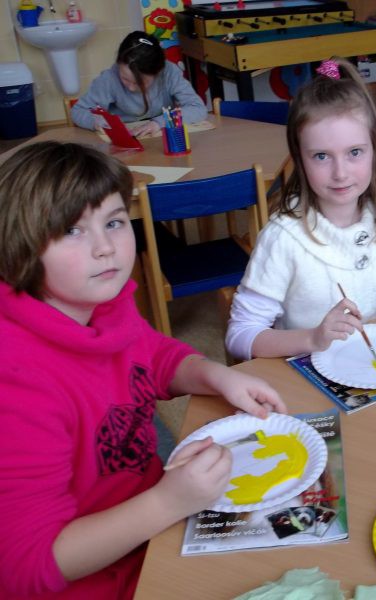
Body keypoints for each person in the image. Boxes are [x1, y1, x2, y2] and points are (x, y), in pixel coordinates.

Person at [0, 141, 287, 599]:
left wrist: (214, 374)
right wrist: (168, 502)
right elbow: (27, 568)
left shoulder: (101, 300)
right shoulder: (16, 383)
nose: (105, 248)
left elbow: (152, 356)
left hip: (153, 520)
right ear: (19, 246)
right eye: (72, 230)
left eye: (114, 222)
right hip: (98, 576)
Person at [226, 58, 376, 361]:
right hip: (300, 371)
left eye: (354, 152)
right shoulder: (283, 238)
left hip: (366, 366)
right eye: (322, 156)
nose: (340, 173)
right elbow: (240, 335)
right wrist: (313, 338)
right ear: (300, 160)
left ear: (375, 150)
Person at [70, 31, 207, 137]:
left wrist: (159, 123)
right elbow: (78, 111)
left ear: (157, 72)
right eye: (125, 79)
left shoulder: (169, 72)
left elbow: (197, 108)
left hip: (162, 136)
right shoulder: (109, 78)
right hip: (126, 140)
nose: (130, 87)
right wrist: (96, 121)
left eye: (139, 83)